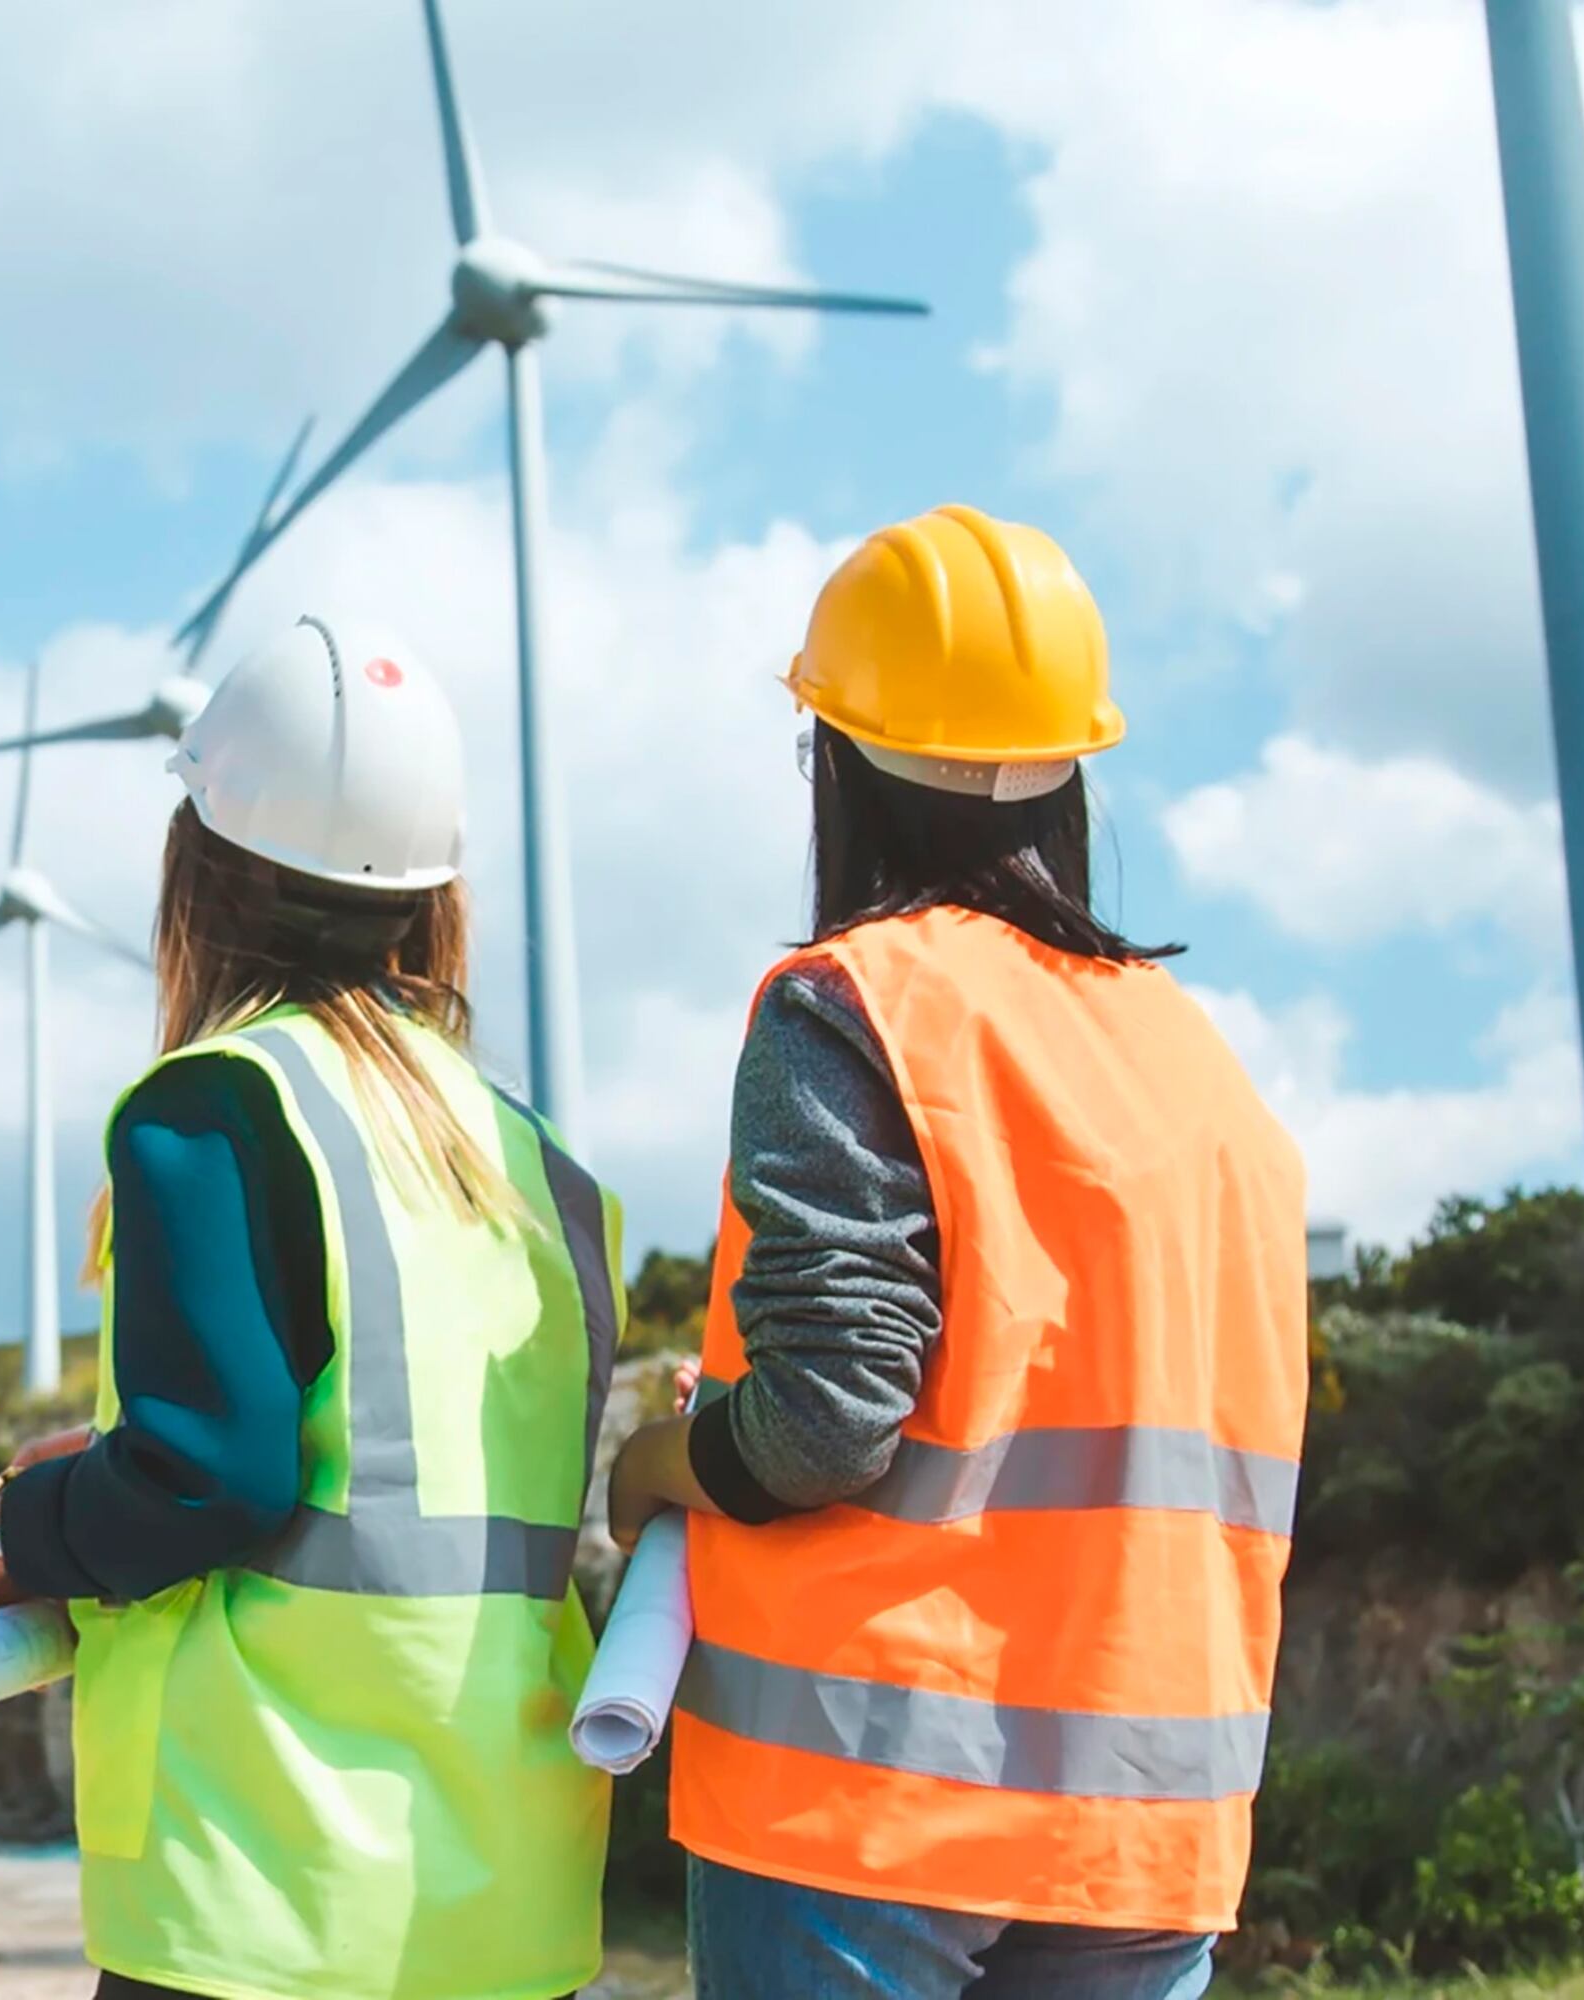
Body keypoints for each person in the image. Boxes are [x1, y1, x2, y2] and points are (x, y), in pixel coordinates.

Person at [606, 505, 1307, 2000]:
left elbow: (829, 1419)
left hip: (866, 1807)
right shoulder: (1201, 1069)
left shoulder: (852, 1001)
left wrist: (660, 1464)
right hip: (1146, 1825)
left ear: (841, 763)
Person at [0, 614, 624, 2000]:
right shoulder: (544, 1167)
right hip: (504, 1898)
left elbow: (213, 1481)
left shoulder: (215, 1110)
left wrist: (21, 1523)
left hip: (265, 1889)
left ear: (196, 869)